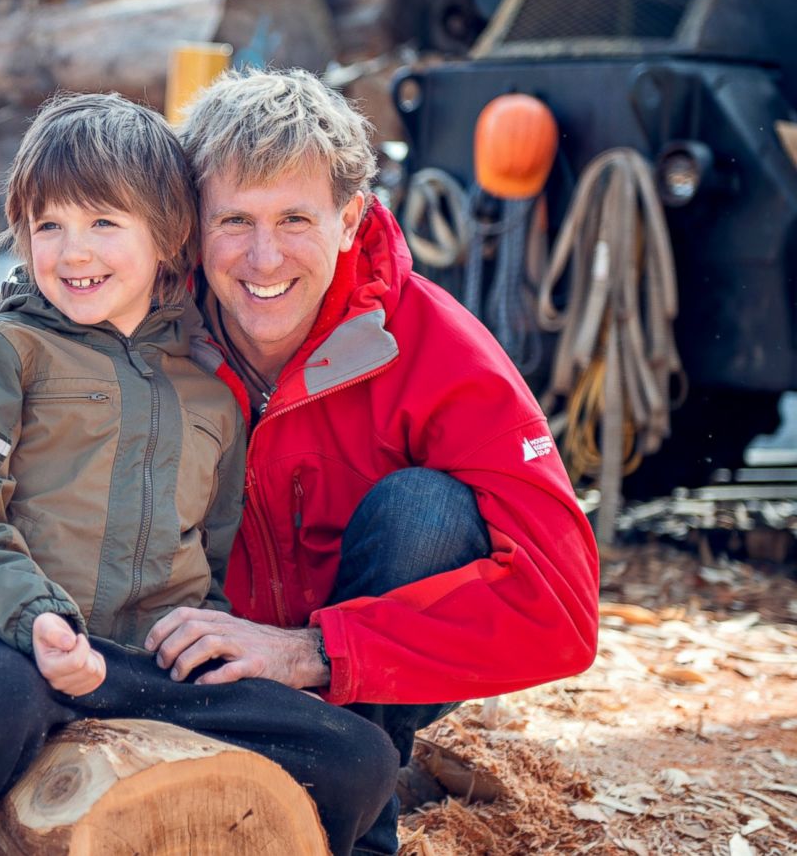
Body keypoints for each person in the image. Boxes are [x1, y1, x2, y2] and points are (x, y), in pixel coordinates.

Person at [0, 92, 400, 856]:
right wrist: (38, 616)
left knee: (358, 758)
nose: (73, 252)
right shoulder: (0, 352)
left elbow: (219, 551)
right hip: (12, 643)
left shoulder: (210, 391)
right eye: (49, 226)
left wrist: (216, 639)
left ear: (169, 235)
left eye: (103, 223)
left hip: (147, 668)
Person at [144, 67, 601, 853]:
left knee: (424, 512)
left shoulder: (439, 349)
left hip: (352, 666)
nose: (262, 258)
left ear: (351, 217)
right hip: (187, 648)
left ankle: (358, 810)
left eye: (295, 218)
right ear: (192, 223)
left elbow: (561, 610)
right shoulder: (140, 321)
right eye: (234, 221)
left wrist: (319, 651)